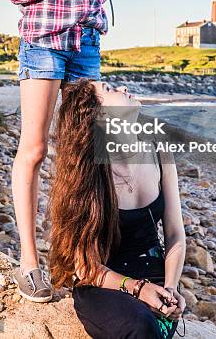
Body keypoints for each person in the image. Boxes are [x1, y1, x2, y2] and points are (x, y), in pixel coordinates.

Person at [0, 0, 119, 302]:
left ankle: (75, 258)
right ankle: (30, 259)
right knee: (34, 150)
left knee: (86, 158)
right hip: (46, 43)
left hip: (87, 42)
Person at [48, 78, 187, 339]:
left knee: (158, 319)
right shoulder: (86, 174)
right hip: (103, 281)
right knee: (140, 325)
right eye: (110, 89)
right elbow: (83, 266)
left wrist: (170, 287)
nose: (125, 87)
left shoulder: (158, 150)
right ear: (97, 114)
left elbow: (174, 234)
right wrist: (137, 289)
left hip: (154, 274)